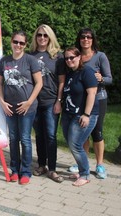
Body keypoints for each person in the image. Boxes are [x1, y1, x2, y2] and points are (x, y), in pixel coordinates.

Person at [0, 30, 42, 185]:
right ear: (11, 42)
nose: (18, 45)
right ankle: (14, 170)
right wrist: (2, 102)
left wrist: (29, 102)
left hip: (27, 108)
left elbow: (39, 83)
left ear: (25, 45)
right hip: (9, 107)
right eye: (16, 41)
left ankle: (26, 172)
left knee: (25, 139)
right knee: (13, 139)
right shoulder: (4, 61)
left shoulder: (30, 60)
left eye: (22, 43)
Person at [68, 28, 112, 179]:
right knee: (83, 132)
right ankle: (82, 161)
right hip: (81, 100)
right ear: (79, 39)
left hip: (98, 98)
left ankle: (99, 165)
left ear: (93, 39)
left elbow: (110, 79)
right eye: (82, 37)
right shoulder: (76, 56)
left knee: (97, 132)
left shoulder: (100, 56)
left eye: (88, 37)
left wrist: (101, 78)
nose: (85, 39)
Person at [29, 24, 65, 183]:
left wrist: (59, 101)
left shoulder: (58, 56)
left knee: (50, 135)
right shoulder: (30, 55)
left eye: (45, 35)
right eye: (39, 35)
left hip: (51, 101)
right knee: (39, 135)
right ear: (35, 37)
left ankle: (52, 169)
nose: (42, 38)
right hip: (35, 102)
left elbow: (62, 81)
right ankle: (41, 164)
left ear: (50, 37)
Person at [61, 47, 99, 186]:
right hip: (69, 114)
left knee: (75, 144)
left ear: (79, 57)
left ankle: (84, 174)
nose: (69, 60)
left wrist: (86, 114)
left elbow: (92, 94)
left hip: (83, 115)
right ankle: (82, 170)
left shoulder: (87, 72)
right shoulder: (70, 73)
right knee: (72, 143)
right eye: (67, 58)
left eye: (72, 57)